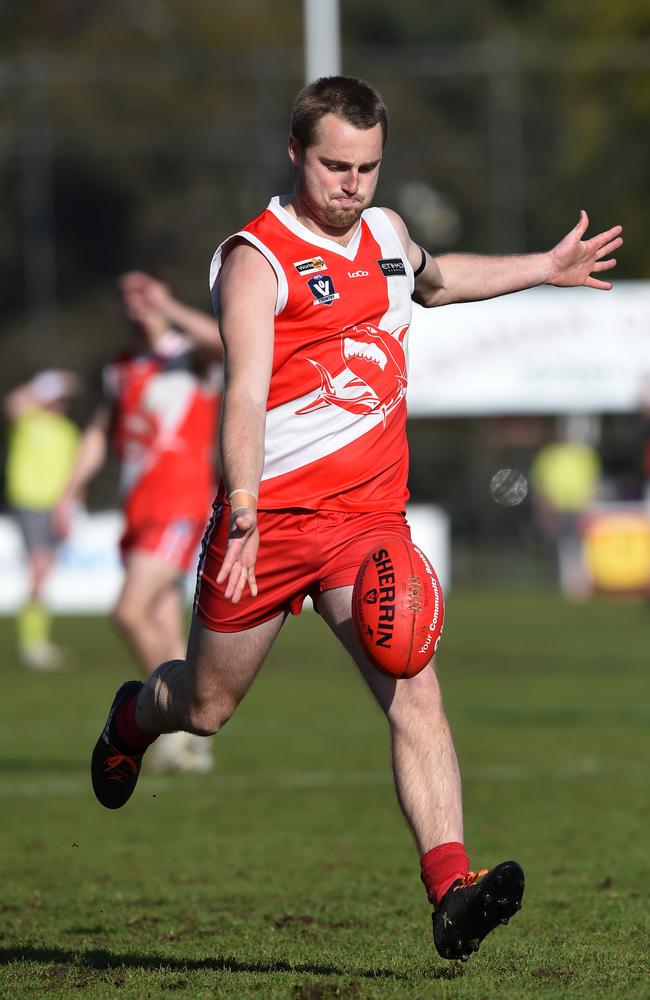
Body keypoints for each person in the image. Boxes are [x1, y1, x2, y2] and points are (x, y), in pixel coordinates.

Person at [89, 77, 623, 960]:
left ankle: (451, 889)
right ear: (297, 154)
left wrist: (543, 268)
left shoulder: (386, 234)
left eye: (368, 167)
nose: (353, 185)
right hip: (271, 519)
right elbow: (247, 393)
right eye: (335, 166)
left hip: (366, 519)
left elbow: (439, 281)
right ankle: (132, 718)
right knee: (209, 705)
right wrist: (248, 505)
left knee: (414, 675)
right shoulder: (257, 259)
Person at [56, 271, 223, 772]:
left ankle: (177, 715)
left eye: (141, 290)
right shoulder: (121, 365)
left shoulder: (188, 353)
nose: (133, 301)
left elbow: (222, 341)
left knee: (128, 610)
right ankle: (185, 738)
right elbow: (100, 434)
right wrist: (69, 491)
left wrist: (167, 306)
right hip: (137, 507)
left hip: (180, 502)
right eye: (124, 293)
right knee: (162, 624)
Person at [4, 369, 83, 670]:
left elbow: (75, 474)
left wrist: (72, 507)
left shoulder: (68, 431)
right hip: (30, 502)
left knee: (44, 569)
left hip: (55, 507)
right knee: (38, 566)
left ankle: (37, 639)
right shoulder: (29, 420)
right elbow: (14, 404)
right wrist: (47, 382)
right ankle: (32, 644)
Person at [530, 417, 602, 600]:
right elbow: (540, 480)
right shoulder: (550, 454)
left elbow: (593, 480)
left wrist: (591, 502)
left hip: (580, 506)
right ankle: (568, 583)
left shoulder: (584, 455)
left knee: (581, 545)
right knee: (564, 544)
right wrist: (544, 504)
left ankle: (581, 584)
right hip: (558, 506)